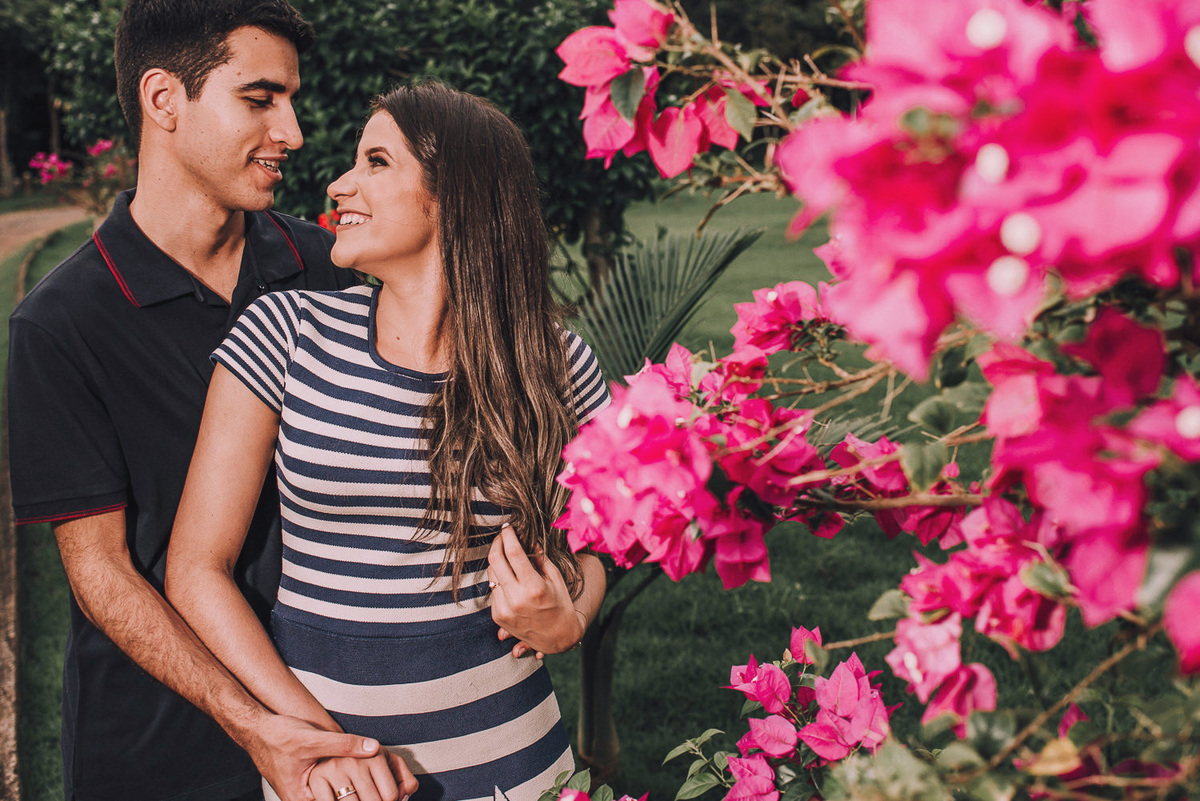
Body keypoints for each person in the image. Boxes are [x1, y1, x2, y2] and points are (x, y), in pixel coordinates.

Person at [7, 1, 417, 799]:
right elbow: (102, 573)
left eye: (290, 100)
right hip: (161, 751)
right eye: (260, 100)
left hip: (346, 719)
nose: (293, 132)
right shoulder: (59, 324)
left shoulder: (328, 268)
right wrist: (254, 725)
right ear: (164, 100)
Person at [164, 82, 611, 801]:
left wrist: (570, 619)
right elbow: (195, 568)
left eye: (376, 162)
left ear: (455, 195)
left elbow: (606, 542)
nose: (339, 185)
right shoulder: (285, 333)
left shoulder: (555, 363)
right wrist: (322, 744)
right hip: (333, 779)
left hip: (517, 766)